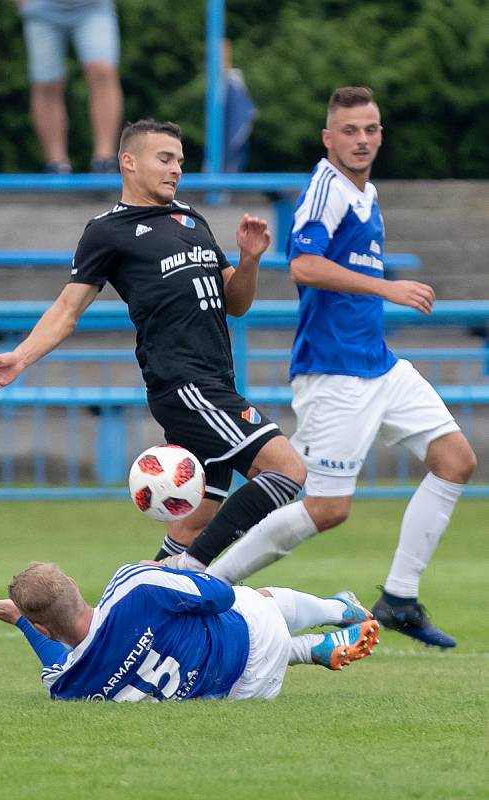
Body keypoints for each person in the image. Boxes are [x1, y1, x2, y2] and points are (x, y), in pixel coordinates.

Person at [206, 87, 477, 649]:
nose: (362, 140)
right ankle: (207, 585)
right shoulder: (325, 189)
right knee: (325, 508)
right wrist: (388, 287)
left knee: (455, 460)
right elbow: (303, 264)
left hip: (378, 366)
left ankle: (399, 598)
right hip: (334, 373)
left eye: (371, 129)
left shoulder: (365, 190)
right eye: (350, 131)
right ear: (328, 138)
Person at [0, 119, 306, 575]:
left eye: (180, 162)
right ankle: (194, 569)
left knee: (195, 523)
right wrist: (22, 356)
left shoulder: (193, 219)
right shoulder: (107, 231)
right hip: (186, 386)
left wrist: (250, 260)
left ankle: (136, 600)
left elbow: (237, 303)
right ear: (128, 162)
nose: (175, 170)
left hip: (213, 382)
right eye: (165, 159)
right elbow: (67, 309)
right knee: (287, 470)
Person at [0, 561, 380, 701]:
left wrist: (21, 622)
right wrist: (166, 573)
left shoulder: (66, 685)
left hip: (240, 694)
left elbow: (57, 661)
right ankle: (340, 608)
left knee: (181, 636)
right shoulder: (133, 586)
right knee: (254, 597)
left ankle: (312, 649)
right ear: (73, 584)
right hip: (252, 638)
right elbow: (219, 597)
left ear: (42, 626)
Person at [18, 0, 123, 172]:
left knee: (102, 71)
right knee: (46, 83)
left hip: (93, 6)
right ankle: (56, 164)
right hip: (41, 9)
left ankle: (105, 160)